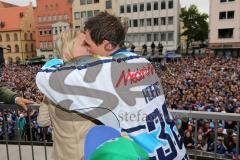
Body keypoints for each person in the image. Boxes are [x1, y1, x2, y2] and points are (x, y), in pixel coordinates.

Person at [36, 12, 187, 160]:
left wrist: (58, 61)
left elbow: (44, 78)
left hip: (148, 154)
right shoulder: (142, 61)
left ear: (107, 45)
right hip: (174, 149)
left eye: (88, 44)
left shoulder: (105, 71)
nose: (88, 51)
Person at [37, 29, 96, 160]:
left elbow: (42, 121)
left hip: (60, 155)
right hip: (86, 155)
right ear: (68, 49)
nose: (91, 48)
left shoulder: (51, 82)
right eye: (85, 44)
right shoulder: (89, 81)